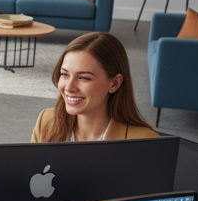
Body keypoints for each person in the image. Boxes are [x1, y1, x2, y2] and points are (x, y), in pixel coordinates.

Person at [31, 32, 159, 142]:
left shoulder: (145, 142)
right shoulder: (46, 122)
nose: (69, 87)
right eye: (65, 74)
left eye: (84, 77)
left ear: (114, 83)